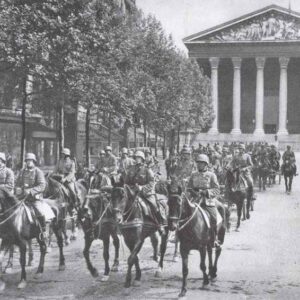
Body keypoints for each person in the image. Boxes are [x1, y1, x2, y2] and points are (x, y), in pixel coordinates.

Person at [16, 153, 54, 239]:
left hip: (34, 198)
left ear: (34, 161)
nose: (29, 162)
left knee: (39, 211)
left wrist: (31, 191)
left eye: (30, 160)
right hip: (22, 197)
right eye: (27, 160)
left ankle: (44, 231)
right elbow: (17, 183)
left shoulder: (38, 172)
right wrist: (18, 188)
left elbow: (42, 185)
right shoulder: (22, 171)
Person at [124, 150, 165, 231]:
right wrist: (128, 187)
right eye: (136, 158)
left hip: (146, 192)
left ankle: (160, 223)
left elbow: (151, 182)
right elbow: (126, 181)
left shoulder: (147, 169)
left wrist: (141, 188)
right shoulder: (131, 169)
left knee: (154, 205)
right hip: (133, 192)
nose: (137, 159)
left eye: (139, 158)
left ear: (142, 159)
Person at [187, 154, 220, 246]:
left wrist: (206, 192)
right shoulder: (193, 174)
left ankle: (214, 238)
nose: (199, 165)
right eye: (198, 163)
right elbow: (189, 187)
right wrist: (192, 192)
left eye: (201, 163)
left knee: (213, 217)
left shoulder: (211, 175)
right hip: (194, 199)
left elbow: (217, 189)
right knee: (183, 213)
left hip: (207, 200)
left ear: (206, 164)